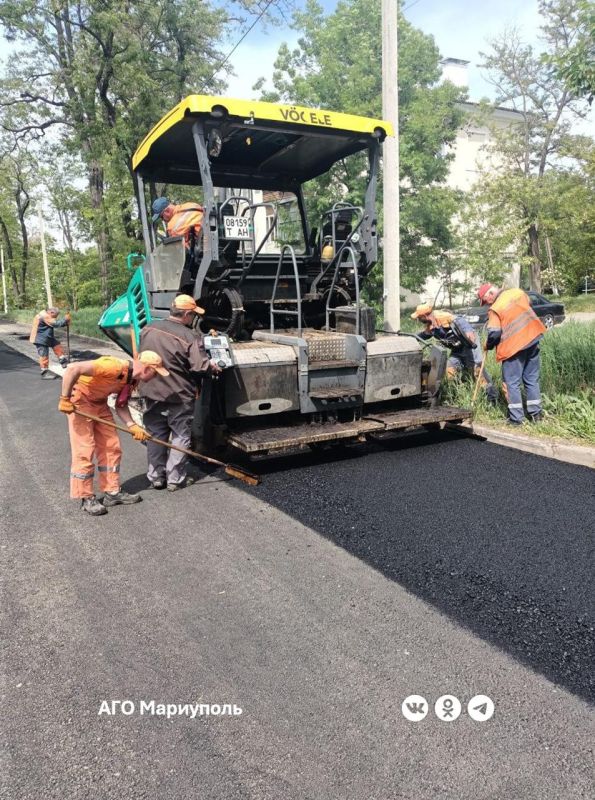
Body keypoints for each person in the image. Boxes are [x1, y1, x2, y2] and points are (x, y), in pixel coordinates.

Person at [58, 350, 169, 516]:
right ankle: (86, 497)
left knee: (112, 447)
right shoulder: (113, 366)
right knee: (84, 451)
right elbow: (73, 368)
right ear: (147, 369)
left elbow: (121, 405)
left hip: (100, 404)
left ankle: (112, 492)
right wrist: (64, 398)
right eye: (155, 373)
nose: (155, 377)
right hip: (80, 402)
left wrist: (133, 426)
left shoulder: (131, 380)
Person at [139, 294, 221, 492]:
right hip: (179, 395)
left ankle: (156, 477)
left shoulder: (148, 328)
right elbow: (199, 366)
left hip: (151, 391)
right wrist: (213, 366)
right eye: (193, 315)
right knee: (179, 435)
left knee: (155, 434)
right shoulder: (189, 336)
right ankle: (175, 479)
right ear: (186, 314)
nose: (194, 319)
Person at [477, 283, 547, 425]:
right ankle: (536, 415)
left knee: (511, 383)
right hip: (533, 339)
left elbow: (495, 333)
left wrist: (488, 345)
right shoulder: (517, 292)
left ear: (490, 294)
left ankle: (516, 419)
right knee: (531, 379)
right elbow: (528, 304)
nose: (486, 304)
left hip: (514, 347)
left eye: (485, 301)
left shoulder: (495, 308)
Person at [411, 303, 498, 404]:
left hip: (469, 346)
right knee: (449, 369)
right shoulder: (431, 326)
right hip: (457, 350)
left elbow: (460, 320)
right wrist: (410, 339)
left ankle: (492, 399)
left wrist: (469, 331)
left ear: (425, 316)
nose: (419, 320)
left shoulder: (442, 316)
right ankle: (460, 392)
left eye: (419, 317)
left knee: (477, 372)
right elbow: (423, 336)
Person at [30, 307, 71, 377]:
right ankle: (44, 372)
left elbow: (55, 323)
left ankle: (63, 362)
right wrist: (65, 319)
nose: (55, 317)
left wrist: (65, 322)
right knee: (44, 355)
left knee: (57, 346)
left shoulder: (46, 315)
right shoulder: (44, 316)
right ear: (51, 312)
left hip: (47, 337)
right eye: (55, 316)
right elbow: (55, 324)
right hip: (40, 339)